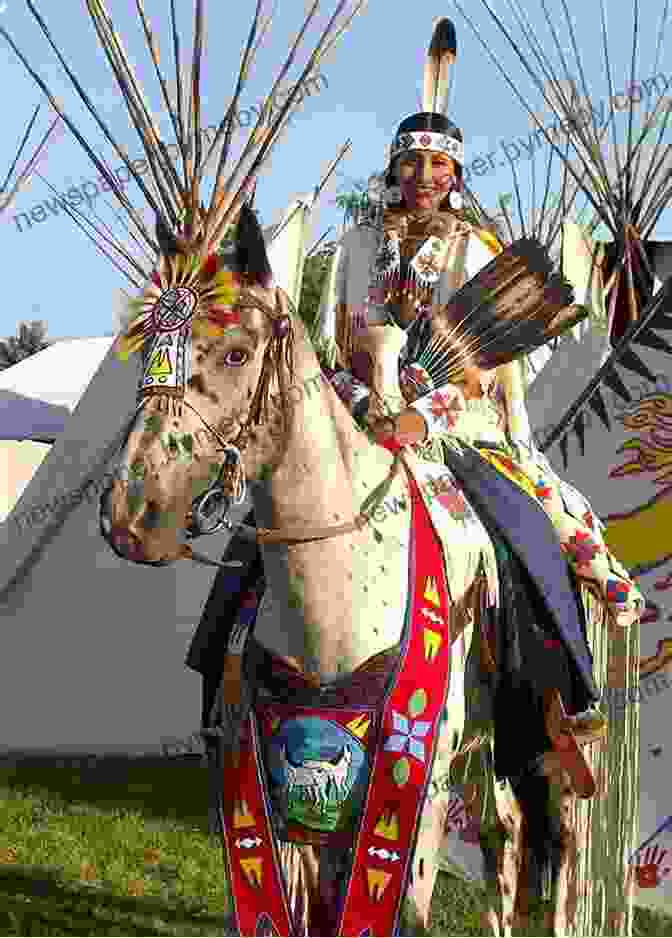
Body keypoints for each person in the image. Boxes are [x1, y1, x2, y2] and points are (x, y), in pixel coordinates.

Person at [187, 19, 644, 792]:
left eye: (436, 164)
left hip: (455, 424)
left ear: (455, 176)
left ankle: (557, 699)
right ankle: (222, 687)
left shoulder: (476, 248)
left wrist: (420, 414)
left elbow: (485, 364)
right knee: (260, 533)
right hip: (359, 412)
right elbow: (334, 343)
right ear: (392, 170)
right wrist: (363, 400)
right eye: (410, 162)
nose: (422, 175)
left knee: (526, 527)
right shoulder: (358, 245)